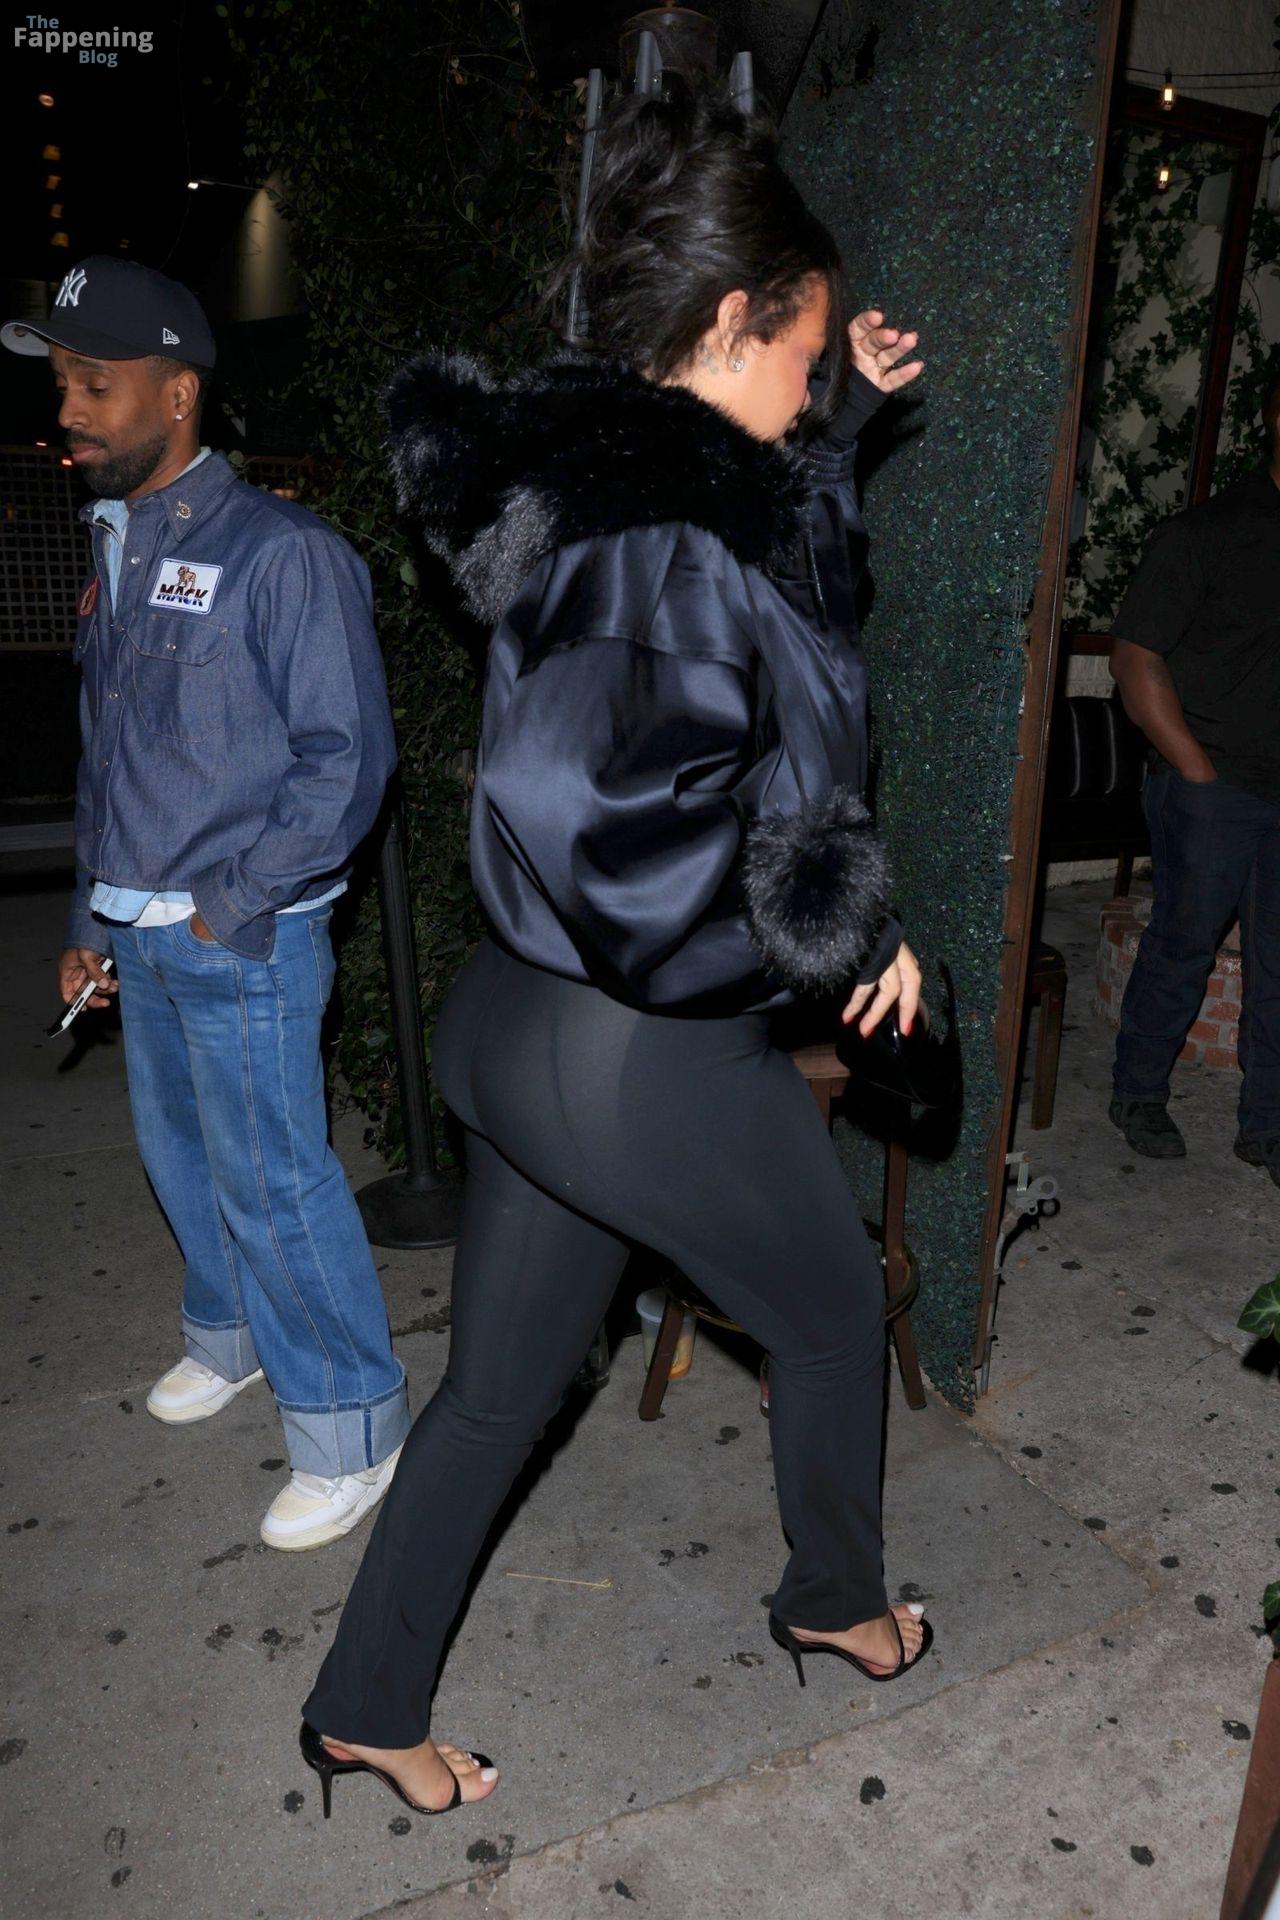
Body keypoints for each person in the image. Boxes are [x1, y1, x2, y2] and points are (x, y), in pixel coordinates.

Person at [298, 87, 932, 1821]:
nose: (813, 383)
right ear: (726, 323)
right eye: (801, 353)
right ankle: (839, 1601)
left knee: (498, 1393)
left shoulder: (628, 497)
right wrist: (822, 933)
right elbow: (593, 810)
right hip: (638, 1050)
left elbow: (770, 622)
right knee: (831, 1312)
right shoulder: (664, 545)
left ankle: (363, 1704)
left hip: (529, 1031)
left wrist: (841, 437)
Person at [3, 257, 411, 1547]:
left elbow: (347, 763)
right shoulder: (115, 543)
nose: (69, 409)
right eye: (61, 384)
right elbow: (108, 758)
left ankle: (352, 1424)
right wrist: (90, 921)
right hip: (139, 925)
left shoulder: (285, 555)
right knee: (181, 1155)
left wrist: (229, 906)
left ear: (178, 395)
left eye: (95, 384)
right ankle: (227, 1336)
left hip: (244, 927)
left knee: (274, 1178)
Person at [1108, 371, 1280, 1180]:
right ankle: (1138, 1092)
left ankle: (1268, 1124)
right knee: (1182, 947)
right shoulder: (1210, 532)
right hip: (1214, 787)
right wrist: (1197, 774)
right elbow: (1135, 658)